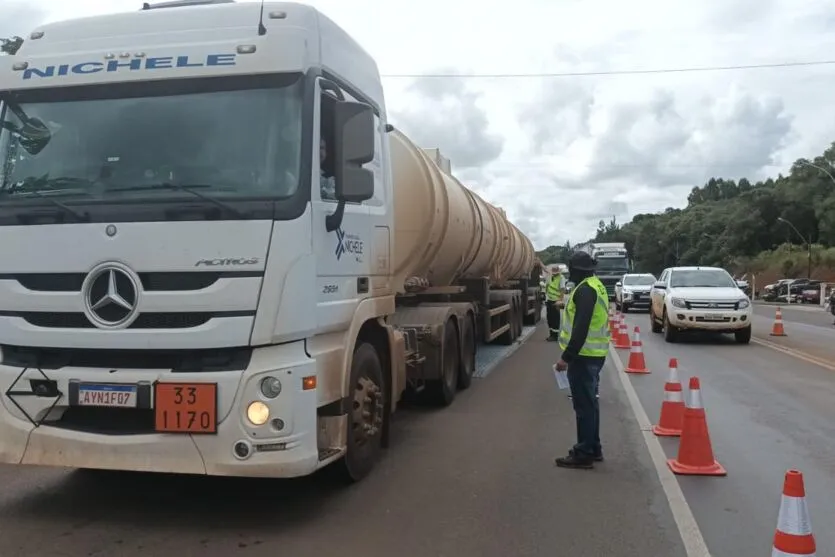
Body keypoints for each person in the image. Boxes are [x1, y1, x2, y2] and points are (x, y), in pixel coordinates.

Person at [554, 251, 610, 469]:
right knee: (591, 403)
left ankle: (584, 452)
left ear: (576, 270)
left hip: (584, 357)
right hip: (594, 355)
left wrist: (566, 358)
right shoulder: (596, 285)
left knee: (584, 406)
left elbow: (581, 328)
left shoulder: (585, 290)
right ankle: (593, 447)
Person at [544, 265, 565, 341]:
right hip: (549, 300)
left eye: (556, 273)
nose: (555, 274)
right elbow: (547, 287)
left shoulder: (561, 278)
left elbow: (562, 290)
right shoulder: (550, 277)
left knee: (555, 319)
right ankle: (551, 334)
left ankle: (555, 336)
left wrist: (560, 300)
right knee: (549, 318)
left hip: (556, 301)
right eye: (554, 272)